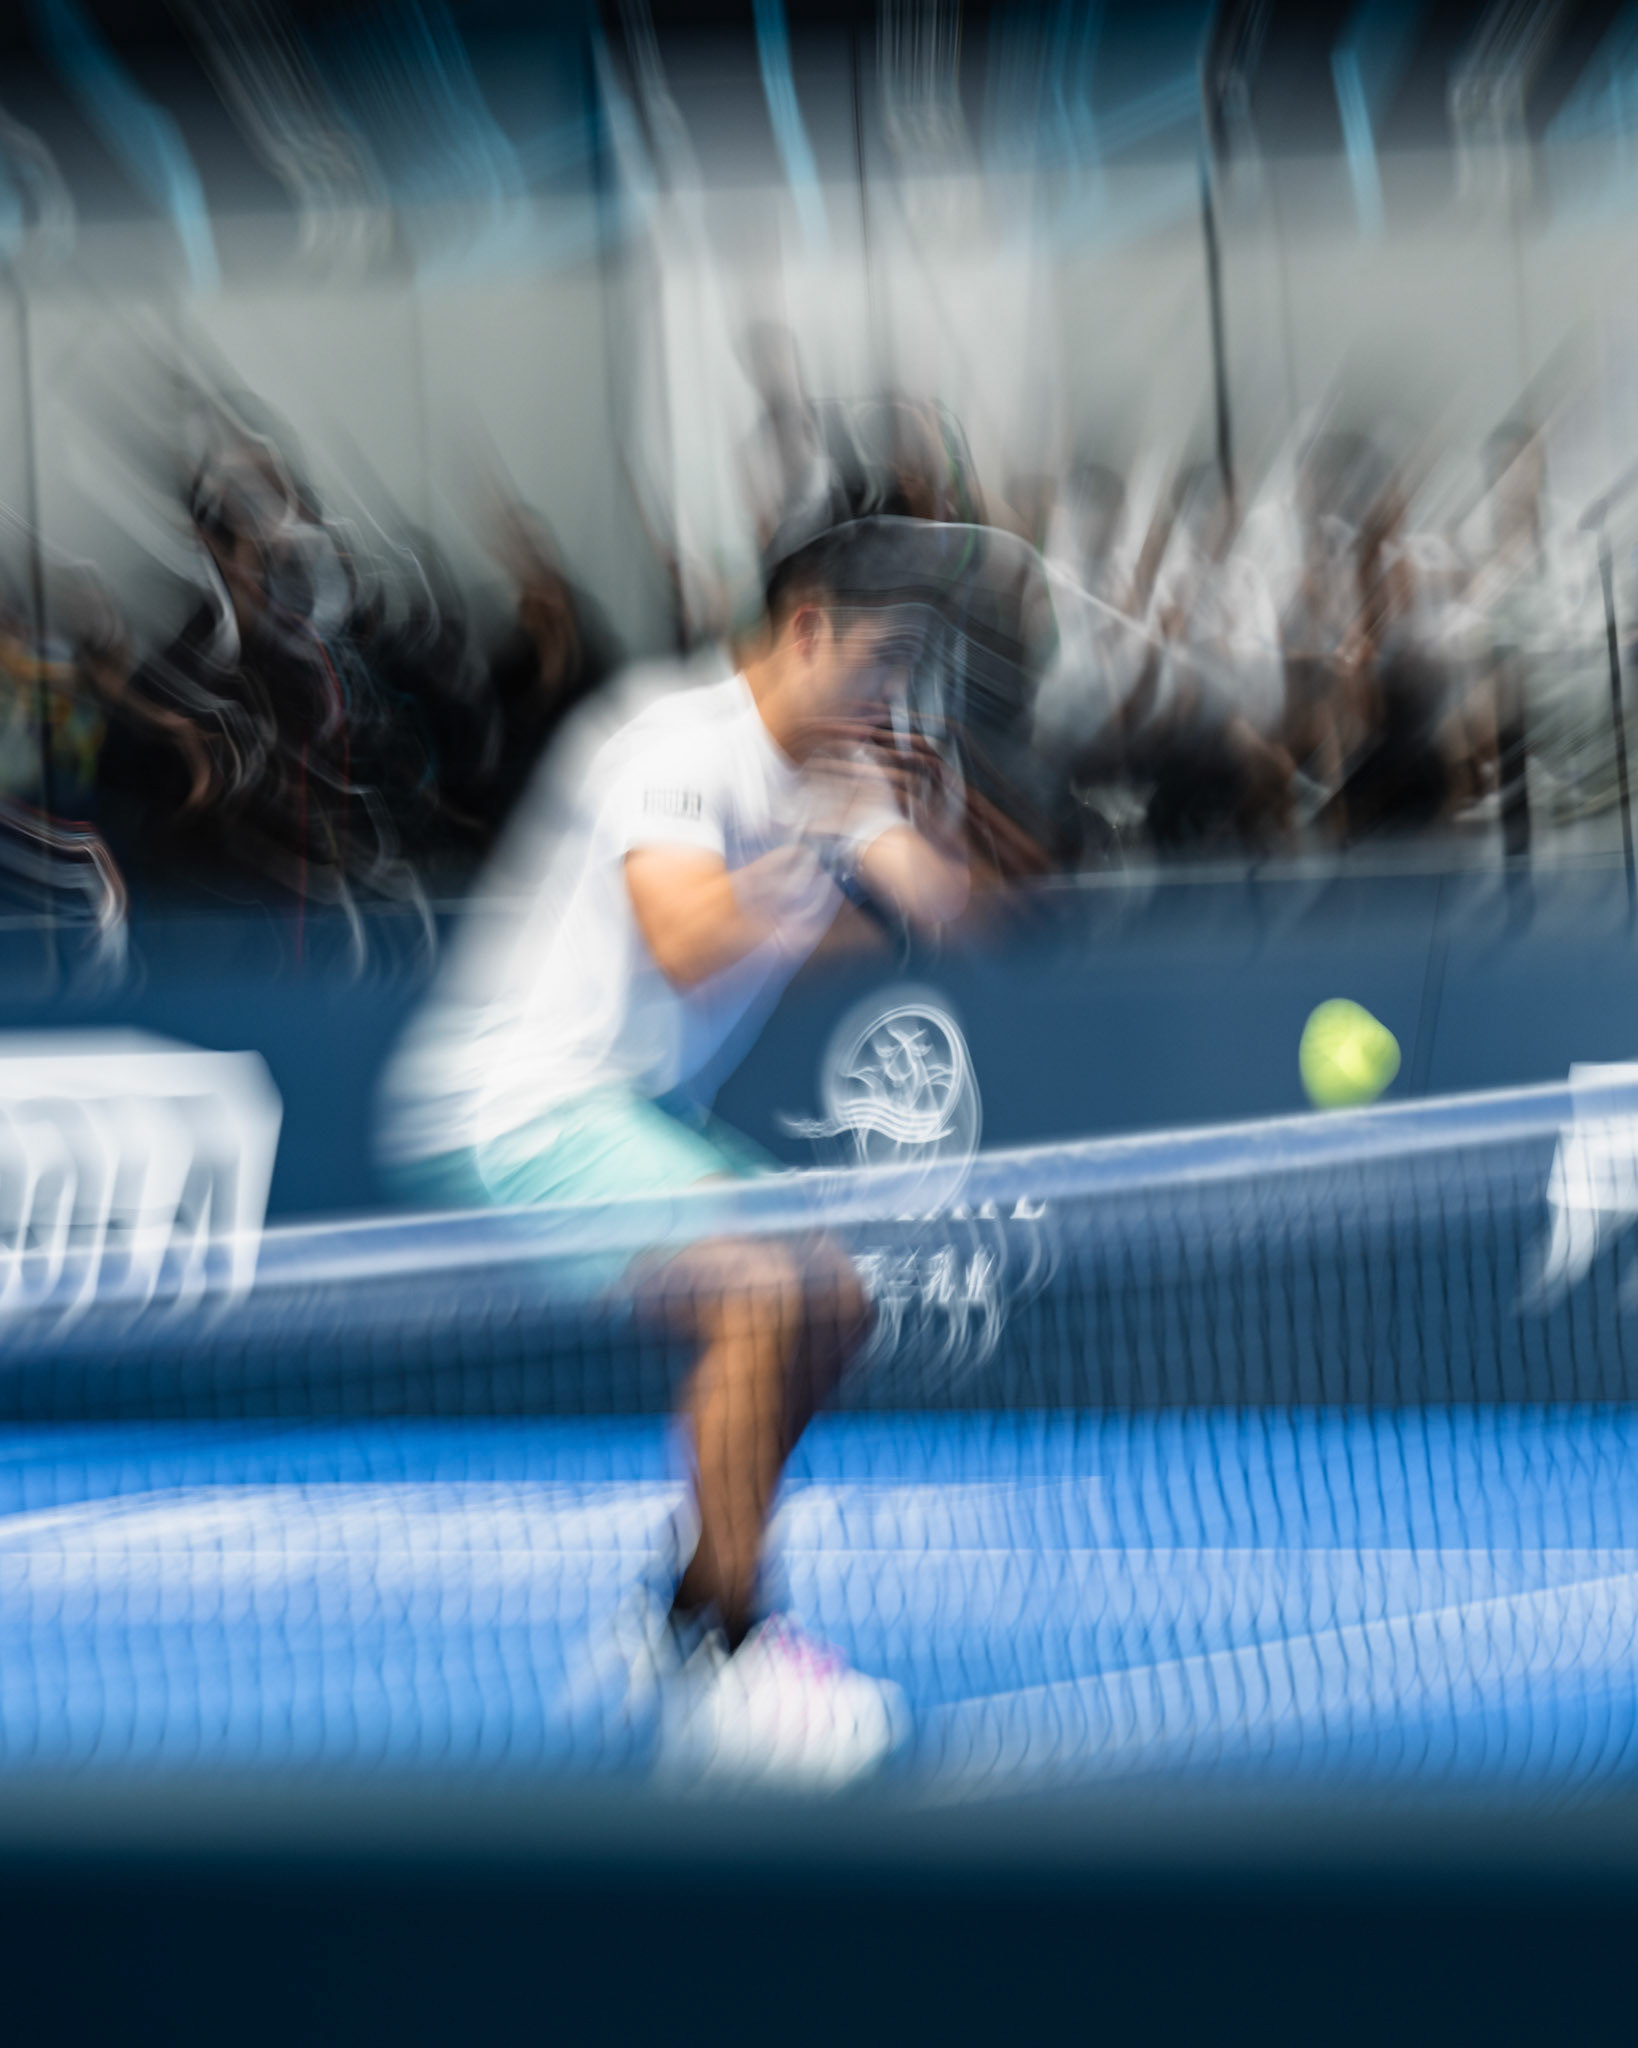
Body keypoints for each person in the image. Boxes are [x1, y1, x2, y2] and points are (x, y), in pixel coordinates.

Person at [382, 521, 969, 1784]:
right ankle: (735, 1661)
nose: (886, 697)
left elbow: (934, 903)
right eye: (877, 664)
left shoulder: (835, 774)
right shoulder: (671, 741)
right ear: (805, 629)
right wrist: (824, 845)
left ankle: (679, 1614)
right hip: (519, 1105)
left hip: (631, 1113)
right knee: (759, 1291)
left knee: (836, 1300)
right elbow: (689, 937)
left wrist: (922, 867)